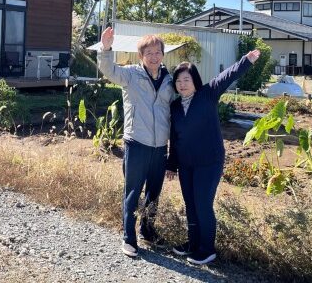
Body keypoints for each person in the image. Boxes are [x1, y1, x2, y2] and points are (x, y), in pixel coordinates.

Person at [167, 49, 260, 265]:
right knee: (190, 204)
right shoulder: (174, 106)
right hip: (186, 164)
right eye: (179, 80)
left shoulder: (208, 94)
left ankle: (207, 249)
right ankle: (192, 244)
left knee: (202, 204)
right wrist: (171, 164)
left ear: (195, 81)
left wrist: (246, 61)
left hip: (209, 162)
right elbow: (174, 136)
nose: (182, 84)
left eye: (186, 79)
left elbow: (227, 75)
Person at [97, 26, 175, 258]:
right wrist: (106, 48)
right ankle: (129, 238)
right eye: (148, 53)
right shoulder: (130, 74)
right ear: (140, 56)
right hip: (137, 144)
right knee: (132, 193)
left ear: (162, 54)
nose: (153, 56)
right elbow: (108, 70)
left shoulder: (169, 80)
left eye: (157, 52)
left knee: (154, 193)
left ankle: (148, 231)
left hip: (160, 146)